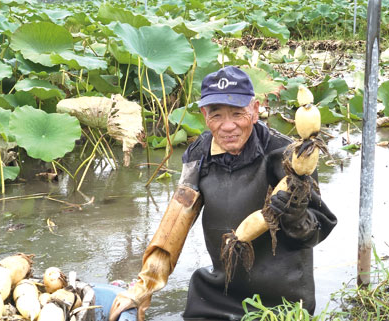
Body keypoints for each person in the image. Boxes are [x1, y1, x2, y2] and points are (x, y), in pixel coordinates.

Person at [109, 66, 337, 321]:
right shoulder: (198, 156)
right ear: (205, 115)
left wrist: (294, 215)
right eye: (217, 115)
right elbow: (174, 227)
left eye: (237, 113)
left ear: (255, 109)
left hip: (282, 298)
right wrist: (143, 287)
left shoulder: (290, 156)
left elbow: (315, 231)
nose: (228, 126)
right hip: (217, 293)